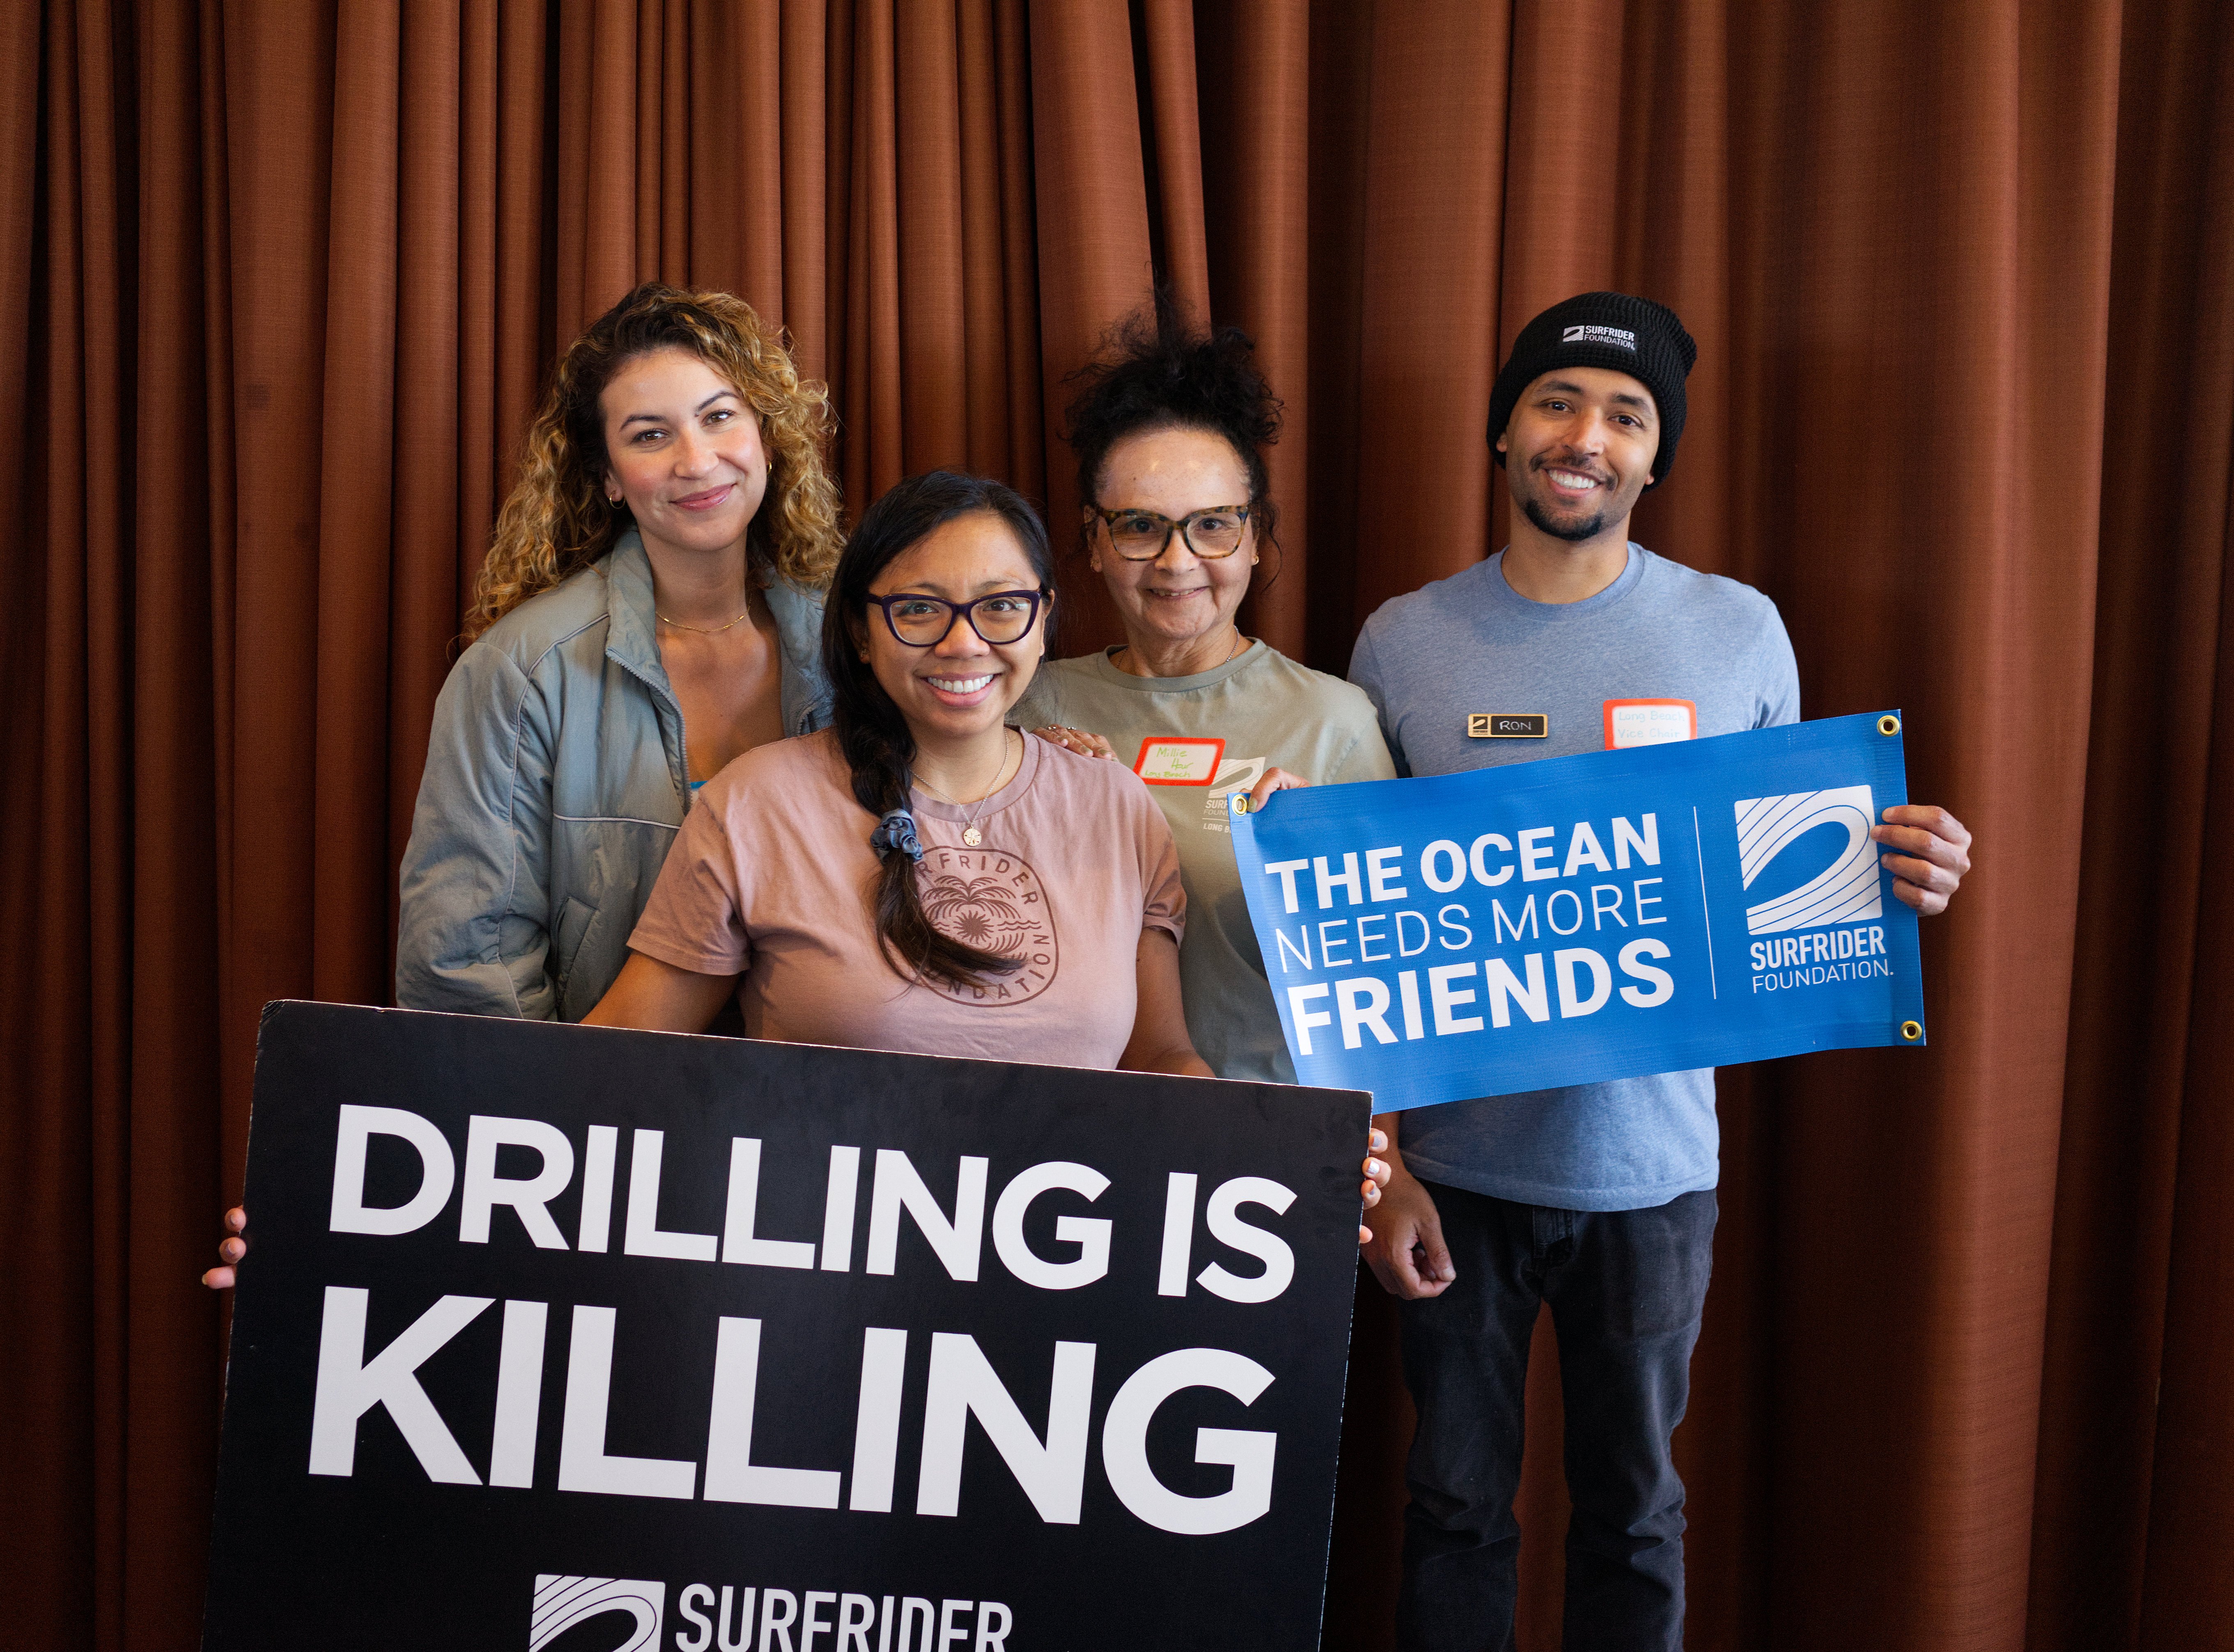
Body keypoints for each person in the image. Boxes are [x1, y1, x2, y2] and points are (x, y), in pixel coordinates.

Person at [1350, 292, 1975, 1651]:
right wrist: (1386, 1162)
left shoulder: (1739, 632)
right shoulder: (1403, 640)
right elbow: (1363, 932)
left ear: (1655, 457)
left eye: (1624, 417)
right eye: (1557, 403)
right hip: (1456, 1173)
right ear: (1505, 430)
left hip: (1655, 1172)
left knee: (1634, 1512)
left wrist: (1893, 868)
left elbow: (1779, 877)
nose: (1586, 437)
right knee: (1452, 1503)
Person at [393, 282, 842, 1024]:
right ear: (606, 477)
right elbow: (466, 968)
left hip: (825, 1115)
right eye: (649, 435)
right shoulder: (523, 670)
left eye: (719, 417)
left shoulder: (859, 645)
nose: (696, 462)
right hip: (606, 1116)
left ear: (767, 436)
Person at [1018, 302, 1396, 1082]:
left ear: (1255, 537)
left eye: (1212, 525)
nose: (1176, 559)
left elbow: (1381, 985)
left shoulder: (1333, 724)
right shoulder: (1023, 706)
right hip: (1061, 1130)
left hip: (1269, 1136)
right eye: (1138, 526)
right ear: (1093, 541)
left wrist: (1382, 1164)